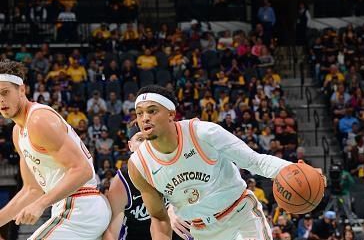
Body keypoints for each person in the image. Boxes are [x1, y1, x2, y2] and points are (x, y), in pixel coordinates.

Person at [129, 85, 325, 240]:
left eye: (152, 111)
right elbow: (158, 217)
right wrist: (171, 211)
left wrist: (295, 170)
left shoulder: (203, 133)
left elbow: (254, 161)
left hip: (240, 216)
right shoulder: (138, 165)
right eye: (139, 113)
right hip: (201, 231)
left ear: (171, 114)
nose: (145, 118)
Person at [0, 60, 111, 239]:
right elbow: (32, 190)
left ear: (22, 90)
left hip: (81, 205)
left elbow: (83, 170)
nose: (1, 100)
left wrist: (40, 204)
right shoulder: (17, 133)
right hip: (67, 208)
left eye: (5, 92)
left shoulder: (39, 120)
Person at [104, 125, 192, 240]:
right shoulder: (121, 182)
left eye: (149, 139)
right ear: (130, 146)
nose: (146, 144)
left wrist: (176, 206)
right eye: (140, 139)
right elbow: (112, 232)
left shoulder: (171, 166)